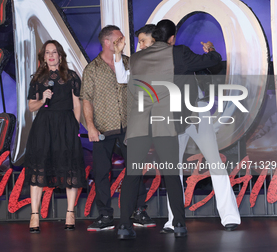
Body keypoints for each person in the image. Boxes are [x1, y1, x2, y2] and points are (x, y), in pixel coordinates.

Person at [115, 23, 241, 233]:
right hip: (181, 116)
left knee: (187, 167)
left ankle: (187, 220)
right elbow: (212, 60)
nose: (141, 46)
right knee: (189, 167)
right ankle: (192, 220)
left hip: (182, 115)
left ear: (155, 40)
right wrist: (211, 50)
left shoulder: (160, 56)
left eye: (143, 41)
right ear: (171, 38)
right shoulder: (172, 54)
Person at [81, 25, 156, 232]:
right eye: (119, 39)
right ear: (107, 43)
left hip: (129, 127)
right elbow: (86, 99)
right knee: (102, 173)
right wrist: (90, 126)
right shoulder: (92, 69)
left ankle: (138, 210)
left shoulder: (128, 63)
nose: (123, 42)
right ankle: (105, 215)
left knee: (134, 170)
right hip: (103, 128)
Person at [24, 40, 86, 233]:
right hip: (44, 126)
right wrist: (43, 100)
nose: (51, 56)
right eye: (47, 53)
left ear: (60, 55)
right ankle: (35, 215)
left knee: (69, 168)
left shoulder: (72, 76)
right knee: (39, 168)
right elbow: (31, 106)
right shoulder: (37, 79)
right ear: (43, 57)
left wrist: (75, 127)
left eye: (54, 52)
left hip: (66, 124)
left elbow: (77, 105)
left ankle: (70, 213)